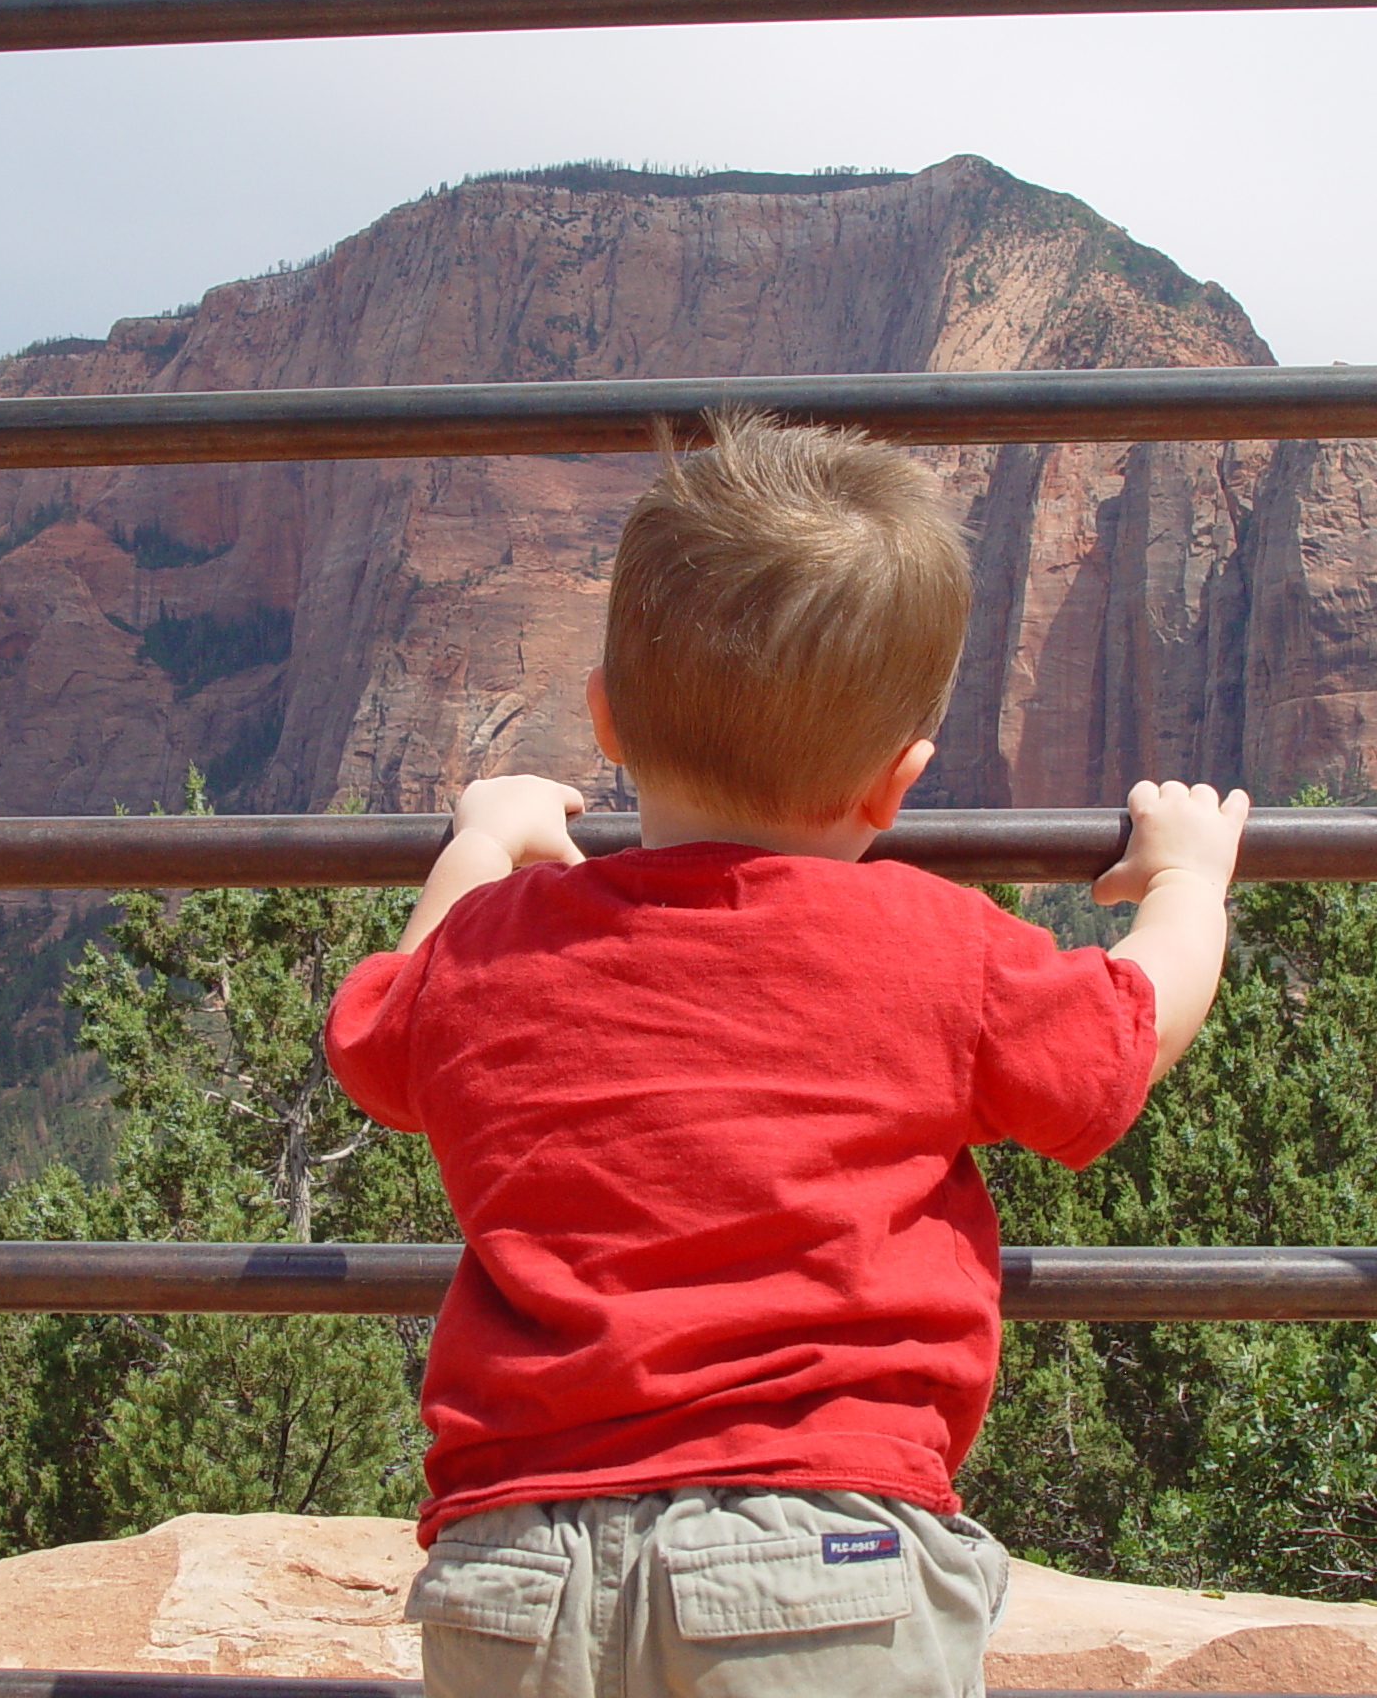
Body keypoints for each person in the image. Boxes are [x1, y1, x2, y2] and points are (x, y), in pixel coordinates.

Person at [326, 412, 1249, 1698]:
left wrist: (482, 844)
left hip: (516, 1566)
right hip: (824, 1554)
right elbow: (1115, 1045)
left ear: (603, 717)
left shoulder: (499, 943)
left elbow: (375, 1038)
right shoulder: (938, 944)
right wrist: (1189, 885)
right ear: (898, 781)